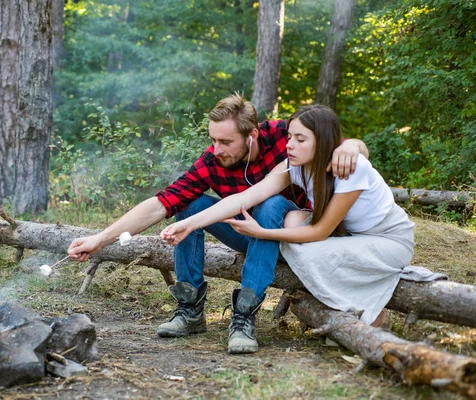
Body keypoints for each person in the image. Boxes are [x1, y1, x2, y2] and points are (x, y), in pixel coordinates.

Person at [68, 94, 369, 354]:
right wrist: (100, 239)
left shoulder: (285, 138)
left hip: (299, 239)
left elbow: (345, 147)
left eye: (225, 141)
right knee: (188, 203)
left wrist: (353, 145)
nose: (216, 149)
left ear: (251, 135)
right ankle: (190, 309)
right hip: (248, 235)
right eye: (212, 140)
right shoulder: (213, 161)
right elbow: (161, 203)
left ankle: (244, 315)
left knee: (271, 203)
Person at [160, 104, 445, 328]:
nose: (289, 145)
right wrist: (189, 223)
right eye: (289, 137)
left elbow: (319, 232)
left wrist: (263, 233)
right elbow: (245, 198)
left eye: (300, 139)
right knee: (291, 224)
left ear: (322, 142)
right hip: (349, 237)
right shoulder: (293, 166)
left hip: (387, 239)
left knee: (304, 250)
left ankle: (368, 313)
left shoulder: (350, 168)